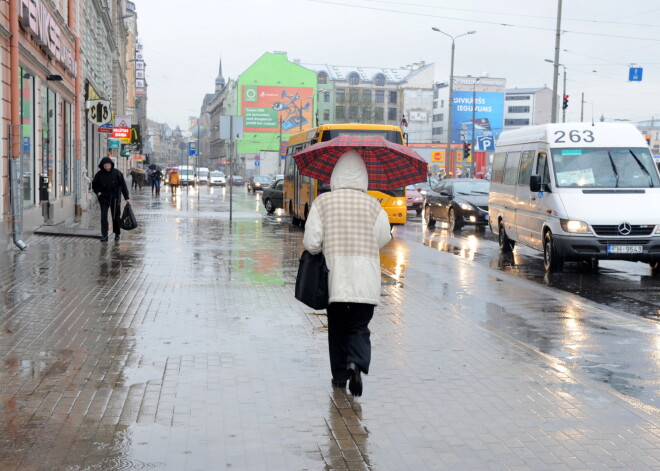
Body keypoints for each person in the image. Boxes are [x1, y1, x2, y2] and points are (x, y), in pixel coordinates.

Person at [303, 150, 392, 397]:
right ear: (363, 177)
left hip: (334, 279)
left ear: (335, 176)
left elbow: (311, 243)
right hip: (366, 279)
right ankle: (357, 364)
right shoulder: (374, 205)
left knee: (338, 328)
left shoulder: (323, 202)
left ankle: (340, 376)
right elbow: (382, 238)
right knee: (360, 326)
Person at [92, 157, 130, 242]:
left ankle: (117, 234)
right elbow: (94, 184)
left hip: (115, 198)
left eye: (108, 163)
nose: (106, 165)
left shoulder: (117, 173)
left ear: (111, 164)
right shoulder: (99, 174)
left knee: (116, 216)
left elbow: (123, 186)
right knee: (103, 216)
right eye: (104, 164)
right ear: (102, 165)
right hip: (104, 198)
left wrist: (126, 197)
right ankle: (104, 235)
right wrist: (98, 192)